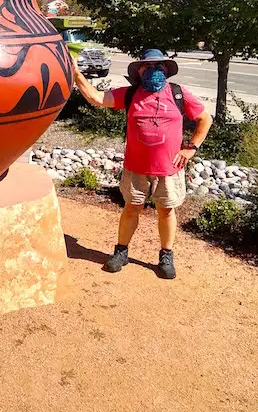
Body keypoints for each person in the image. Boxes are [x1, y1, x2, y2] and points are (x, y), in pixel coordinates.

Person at [72, 48, 212, 279]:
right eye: (148, 66)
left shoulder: (178, 94)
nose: (154, 70)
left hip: (169, 168)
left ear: (166, 70)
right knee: (131, 209)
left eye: (158, 66)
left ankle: (166, 255)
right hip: (136, 167)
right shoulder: (130, 94)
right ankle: (121, 252)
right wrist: (76, 73)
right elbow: (96, 98)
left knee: (166, 211)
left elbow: (204, 118)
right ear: (140, 71)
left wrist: (191, 148)